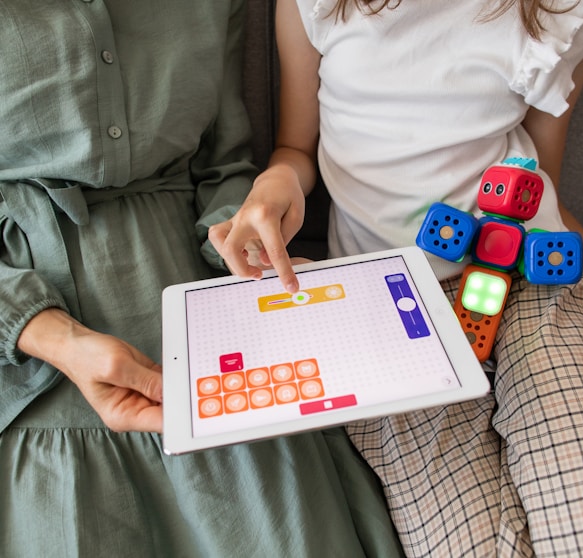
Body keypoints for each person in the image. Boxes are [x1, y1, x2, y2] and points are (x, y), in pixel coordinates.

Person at [0, 2, 407, 556]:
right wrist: (50, 336)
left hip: (203, 311)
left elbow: (221, 167)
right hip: (27, 358)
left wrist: (244, 245)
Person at [210, 0, 583, 555]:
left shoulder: (563, 10)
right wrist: (273, 188)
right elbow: (295, 147)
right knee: (465, 542)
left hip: (529, 283)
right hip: (389, 313)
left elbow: (541, 180)